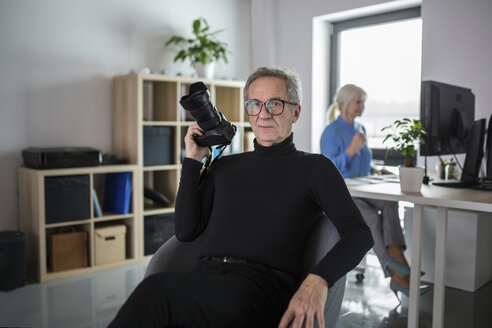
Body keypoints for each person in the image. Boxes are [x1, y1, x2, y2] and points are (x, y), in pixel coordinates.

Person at [109, 68, 373, 328]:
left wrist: (319, 278)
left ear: (296, 111)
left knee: (156, 293)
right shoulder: (224, 166)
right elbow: (186, 231)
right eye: (254, 104)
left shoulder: (316, 168)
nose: (263, 113)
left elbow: (359, 234)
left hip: (261, 290)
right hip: (204, 280)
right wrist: (192, 161)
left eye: (275, 104)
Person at [320, 84, 431, 299]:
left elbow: (361, 164)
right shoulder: (331, 132)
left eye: (363, 102)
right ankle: (399, 273)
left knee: (390, 204)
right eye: (357, 102)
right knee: (371, 217)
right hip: (343, 193)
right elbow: (329, 169)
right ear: (344, 104)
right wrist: (351, 149)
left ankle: (398, 265)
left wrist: (374, 169)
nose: (362, 106)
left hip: (364, 188)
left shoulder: (360, 129)